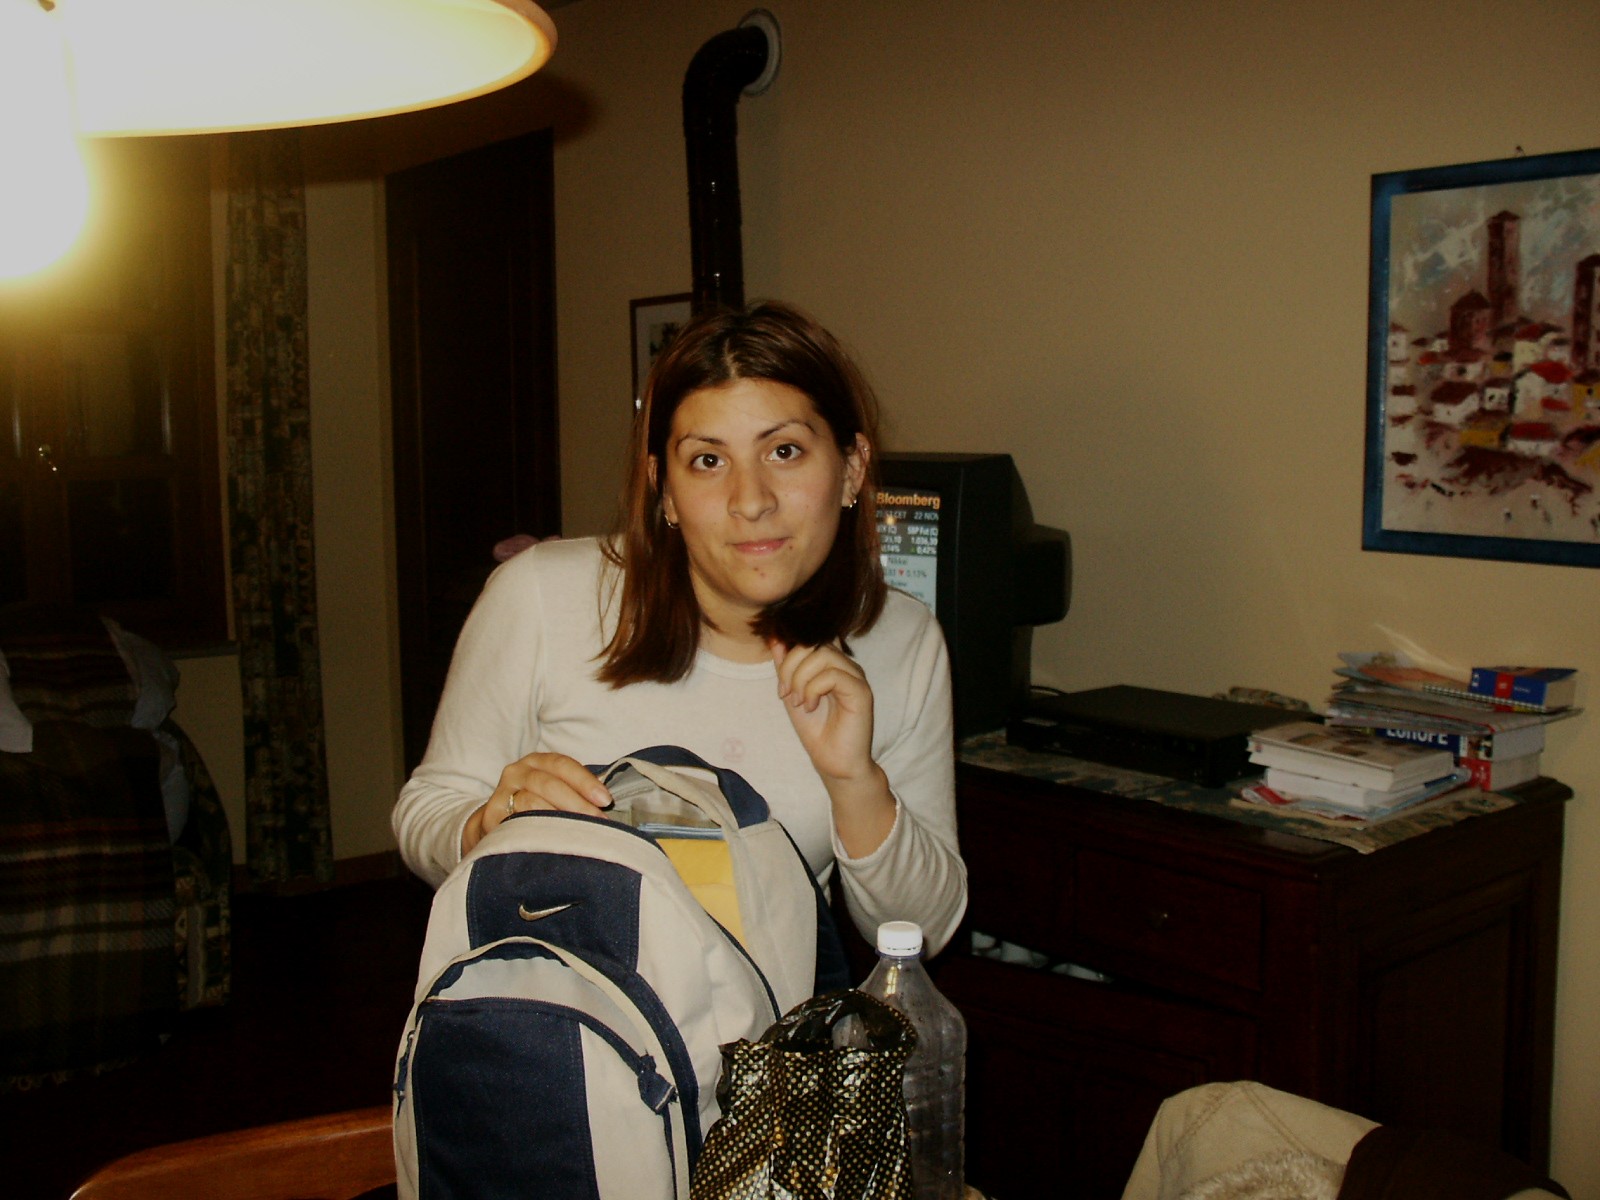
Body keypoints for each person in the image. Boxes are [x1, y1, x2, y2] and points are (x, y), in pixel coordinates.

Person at [393, 301, 967, 953]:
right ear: (663, 488)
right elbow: (426, 813)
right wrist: (487, 825)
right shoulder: (541, 596)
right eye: (707, 461)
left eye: (784, 451)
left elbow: (924, 930)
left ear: (852, 468)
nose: (751, 500)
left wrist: (854, 781)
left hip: (763, 1018)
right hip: (563, 1007)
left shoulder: (902, 641)